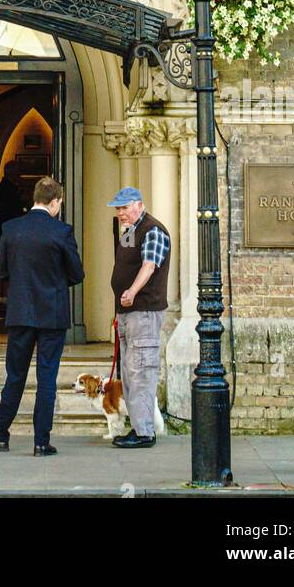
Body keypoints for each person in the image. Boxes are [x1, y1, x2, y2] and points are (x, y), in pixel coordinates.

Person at [0, 176, 84, 456]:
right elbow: (77, 274)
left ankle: (0, 435)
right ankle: (41, 442)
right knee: (46, 378)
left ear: (34, 198)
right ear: (55, 202)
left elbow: (0, 271)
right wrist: (54, 281)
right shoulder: (62, 232)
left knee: (15, 376)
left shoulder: (11, 229)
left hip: (20, 312)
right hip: (53, 314)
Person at [107, 186, 170, 449]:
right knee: (130, 373)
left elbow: (149, 266)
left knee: (141, 372)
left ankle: (144, 432)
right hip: (128, 313)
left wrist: (132, 291)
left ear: (139, 205)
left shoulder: (153, 230)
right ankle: (138, 428)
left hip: (143, 311)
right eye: (118, 208)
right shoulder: (130, 232)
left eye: (125, 207)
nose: (120, 213)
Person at [0, 161, 25, 242]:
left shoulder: (3, 187)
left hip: (6, 231)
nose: (19, 175)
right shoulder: (9, 189)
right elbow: (14, 209)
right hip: (10, 231)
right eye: (18, 172)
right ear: (12, 174)